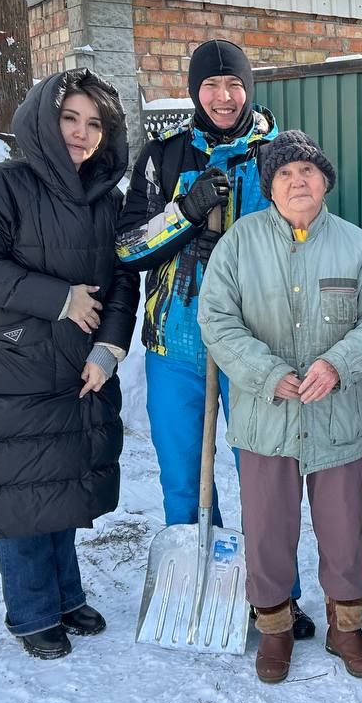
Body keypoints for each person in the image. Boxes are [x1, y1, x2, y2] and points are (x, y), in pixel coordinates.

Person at [116, 39, 314, 638]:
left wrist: (235, 250)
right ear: (194, 90)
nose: (223, 98)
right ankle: (199, 587)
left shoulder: (279, 154)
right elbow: (127, 248)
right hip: (174, 345)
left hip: (255, 346)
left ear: (249, 88)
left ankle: (276, 597)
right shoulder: (164, 157)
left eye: (234, 85)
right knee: (182, 475)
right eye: (210, 86)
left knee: (264, 476)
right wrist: (183, 216)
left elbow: (306, 236)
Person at [0, 69, 140, 659]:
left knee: (60, 485)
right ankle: (31, 611)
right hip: (14, 367)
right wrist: (59, 298)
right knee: (20, 490)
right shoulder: (3, 187)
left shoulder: (107, 201)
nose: (82, 133)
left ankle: (64, 596)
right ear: (43, 120)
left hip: (80, 367)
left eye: (94, 123)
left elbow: (123, 279)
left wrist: (109, 348)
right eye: (70, 119)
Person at [198, 130, 362, 683]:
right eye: (284, 174)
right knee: (267, 528)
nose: (297, 181)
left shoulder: (356, 245)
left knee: (343, 529)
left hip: (337, 416)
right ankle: (275, 628)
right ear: (270, 188)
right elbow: (216, 319)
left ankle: (346, 627)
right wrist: (265, 372)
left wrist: (338, 364)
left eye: (307, 171)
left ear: (325, 181)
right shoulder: (238, 243)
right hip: (267, 419)